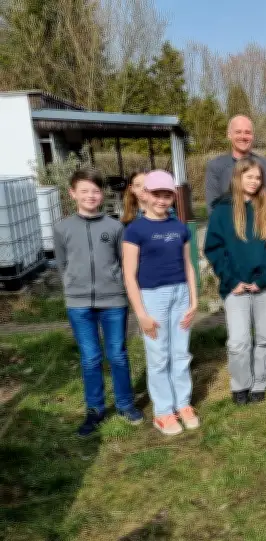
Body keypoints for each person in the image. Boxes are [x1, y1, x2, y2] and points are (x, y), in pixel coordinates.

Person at [53, 169, 144, 436]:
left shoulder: (115, 227)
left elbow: (123, 262)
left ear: (101, 194)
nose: (90, 196)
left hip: (113, 301)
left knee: (117, 354)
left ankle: (125, 403)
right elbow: (62, 263)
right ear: (73, 194)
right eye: (84, 191)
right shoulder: (62, 228)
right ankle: (95, 409)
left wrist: (119, 287)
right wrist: (72, 285)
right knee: (91, 358)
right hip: (79, 303)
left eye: (95, 191)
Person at [122, 170, 199, 436]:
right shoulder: (135, 230)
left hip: (180, 294)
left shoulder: (179, 227)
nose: (162, 200)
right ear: (146, 195)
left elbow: (189, 266)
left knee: (180, 353)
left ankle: (183, 404)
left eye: (167, 195)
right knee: (158, 356)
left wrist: (194, 300)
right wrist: (141, 313)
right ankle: (163, 412)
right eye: (157, 194)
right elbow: (129, 276)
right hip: (152, 297)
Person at [204, 158, 266, 406]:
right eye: (249, 176)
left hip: (263, 286)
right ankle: (241, 385)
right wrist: (232, 280)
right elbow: (214, 249)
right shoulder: (222, 211)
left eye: (258, 178)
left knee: (263, 338)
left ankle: (259, 383)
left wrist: (264, 280)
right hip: (235, 286)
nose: (254, 181)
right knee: (239, 341)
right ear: (237, 178)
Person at [205, 115, 266, 211]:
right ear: (229, 135)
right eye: (238, 132)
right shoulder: (215, 167)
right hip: (227, 224)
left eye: (247, 132)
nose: (243, 136)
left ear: (253, 136)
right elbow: (213, 207)